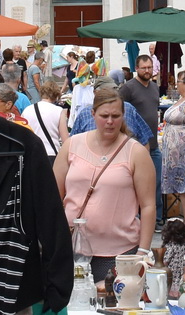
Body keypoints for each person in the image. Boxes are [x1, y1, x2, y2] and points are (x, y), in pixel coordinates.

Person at [54, 86, 157, 295]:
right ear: (93, 114)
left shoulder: (135, 152)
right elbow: (54, 197)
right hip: (72, 251)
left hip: (119, 252)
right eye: (104, 116)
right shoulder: (72, 146)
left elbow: (148, 206)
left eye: (115, 116)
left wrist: (143, 252)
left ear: (123, 116)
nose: (110, 121)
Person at [121, 55, 163, 199]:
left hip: (154, 146)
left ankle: (156, 220)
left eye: (149, 68)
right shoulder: (128, 88)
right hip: (135, 147)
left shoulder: (155, 87)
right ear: (136, 68)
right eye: (143, 68)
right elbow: (119, 113)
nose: (147, 71)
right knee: (135, 186)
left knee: (156, 184)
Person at [161, 71, 185, 221]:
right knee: (182, 189)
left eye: (178, 81)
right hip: (174, 149)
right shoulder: (182, 99)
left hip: (183, 149)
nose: (176, 84)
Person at [23, 76, 70, 161]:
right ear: (56, 95)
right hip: (51, 153)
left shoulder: (27, 110)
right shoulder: (58, 111)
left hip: (31, 154)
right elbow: (65, 139)